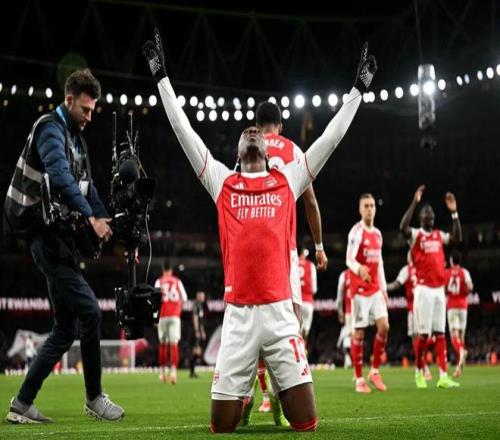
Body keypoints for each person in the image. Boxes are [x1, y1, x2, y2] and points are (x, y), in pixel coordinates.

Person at [143, 28, 376, 432]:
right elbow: (184, 131)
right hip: (237, 320)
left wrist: (358, 88)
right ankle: (247, 390)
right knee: (222, 426)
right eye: (246, 133)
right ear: (237, 152)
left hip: (280, 316)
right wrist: (162, 77)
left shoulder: (288, 179)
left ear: (269, 149)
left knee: (307, 423)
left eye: (257, 133)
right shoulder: (222, 182)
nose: (252, 132)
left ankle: (276, 389)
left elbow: (331, 138)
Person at [4, 69, 123, 423]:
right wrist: (89, 218)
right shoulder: (49, 129)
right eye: (85, 109)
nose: (89, 117)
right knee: (91, 312)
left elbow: (89, 190)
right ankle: (94, 398)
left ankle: (22, 403)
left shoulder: (76, 140)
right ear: (68, 100)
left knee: (66, 327)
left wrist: (110, 225)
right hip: (42, 237)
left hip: (54, 238)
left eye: (92, 111)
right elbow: (59, 177)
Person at [400, 184, 462, 388]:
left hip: (439, 290)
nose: (430, 216)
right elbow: (402, 228)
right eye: (427, 214)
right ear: (420, 218)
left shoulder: (438, 235)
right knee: (424, 335)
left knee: (441, 333)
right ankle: (418, 371)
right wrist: (414, 202)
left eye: (432, 214)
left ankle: (443, 376)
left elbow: (457, 238)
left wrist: (454, 213)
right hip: (423, 290)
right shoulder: (416, 235)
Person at [346, 193, 389, 393]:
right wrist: (359, 269)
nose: (370, 209)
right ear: (360, 209)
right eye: (366, 206)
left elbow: (379, 263)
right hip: (360, 290)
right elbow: (349, 259)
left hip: (375, 289)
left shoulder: (378, 234)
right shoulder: (356, 232)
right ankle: (358, 380)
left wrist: (384, 288)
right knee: (359, 333)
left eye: (372, 205)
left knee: (384, 327)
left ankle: (374, 371)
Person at [387, 253, 432, 380]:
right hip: (426, 307)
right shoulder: (423, 267)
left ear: (409, 257)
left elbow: (397, 284)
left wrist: (383, 286)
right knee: (424, 337)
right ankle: (424, 366)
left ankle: (423, 368)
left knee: (415, 339)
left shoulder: (407, 270)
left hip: (413, 309)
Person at [155, 261, 188, 384]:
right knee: (174, 343)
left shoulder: (159, 281)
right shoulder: (177, 281)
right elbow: (185, 298)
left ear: (163, 270)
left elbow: (155, 299)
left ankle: (163, 373)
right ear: (171, 270)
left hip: (163, 316)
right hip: (174, 315)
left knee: (163, 344)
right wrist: (178, 308)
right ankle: (173, 372)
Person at [445, 249, 473, 377]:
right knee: (461, 337)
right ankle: (459, 368)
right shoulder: (464, 272)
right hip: (463, 306)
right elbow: (470, 287)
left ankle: (462, 352)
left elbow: (443, 288)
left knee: (454, 337)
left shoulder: (447, 272)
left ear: (451, 260)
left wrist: (448, 292)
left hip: (452, 306)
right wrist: (465, 292)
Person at [298, 248, 317, 346]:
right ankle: (303, 350)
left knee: (296, 331)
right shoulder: (311, 265)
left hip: (296, 302)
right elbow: (314, 289)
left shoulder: (292, 263)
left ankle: (296, 351)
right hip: (308, 302)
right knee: (305, 331)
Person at [336, 269, 352, 369]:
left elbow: (339, 295)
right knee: (356, 335)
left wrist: (339, 311)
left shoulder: (344, 275)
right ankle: (351, 359)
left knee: (348, 335)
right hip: (360, 310)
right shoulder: (362, 271)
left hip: (349, 311)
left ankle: (348, 358)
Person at [190, 290, 207, 378]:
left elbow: (201, 321)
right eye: (202, 296)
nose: (203, 297)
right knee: (196, 351)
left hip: (198, 331)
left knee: (198, 352)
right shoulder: (196, 305)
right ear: (198, 296)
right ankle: (192, 372)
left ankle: (192, 372)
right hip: (194, 331)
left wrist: (202, 331)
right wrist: (197, 331)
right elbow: (195, 318)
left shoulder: (200, 306)